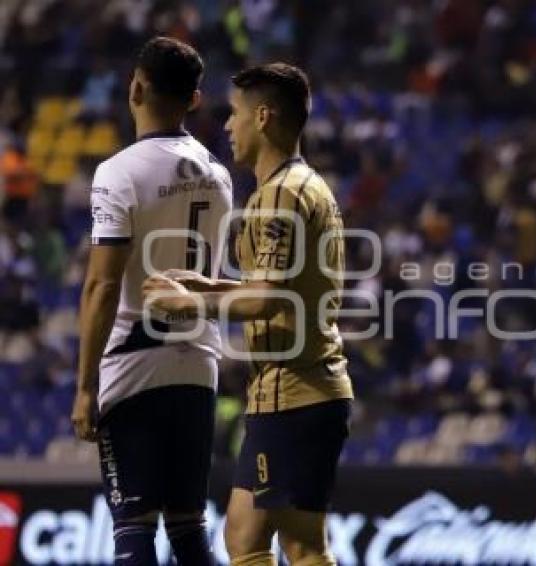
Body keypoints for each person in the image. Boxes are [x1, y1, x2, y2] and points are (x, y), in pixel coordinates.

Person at [143, 62, 353, 566]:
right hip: (285, 393)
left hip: (298, 392)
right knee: (244, 537)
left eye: (234, 114)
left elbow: (268, 299)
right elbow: (277, 288)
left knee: (302, 548)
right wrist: (209, 284)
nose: (227, 127)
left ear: (262, 117)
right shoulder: (296, 187)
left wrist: (188, 302)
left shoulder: (283, 194)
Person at [71, 37, 233, 565]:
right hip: (198, 359)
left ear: (136, 87)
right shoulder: (219, 172)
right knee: (189, 526)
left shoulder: (120, 171)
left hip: (134, 358)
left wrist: (85, 385)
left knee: (133, 527)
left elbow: (101, 285)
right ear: (195, 98)